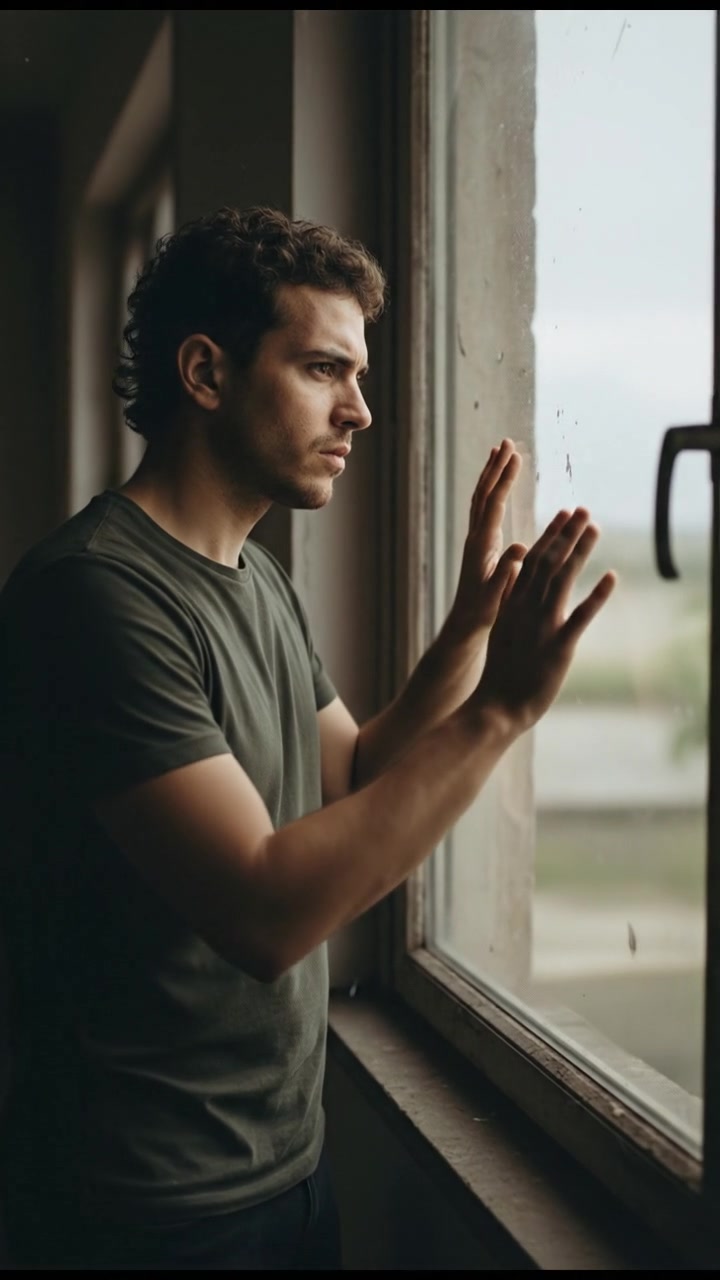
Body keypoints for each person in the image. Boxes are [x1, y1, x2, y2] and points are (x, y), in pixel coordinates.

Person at [0, 205, 616, 1270]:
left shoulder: (255, 576)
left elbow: (355, 774)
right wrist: (500, 713)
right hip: (149, 1204)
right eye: (326, 369)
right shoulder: (95, 595)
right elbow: (267, 905)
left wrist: (468, 630)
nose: (361, 411)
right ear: (207, 372)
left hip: (283, 1166)